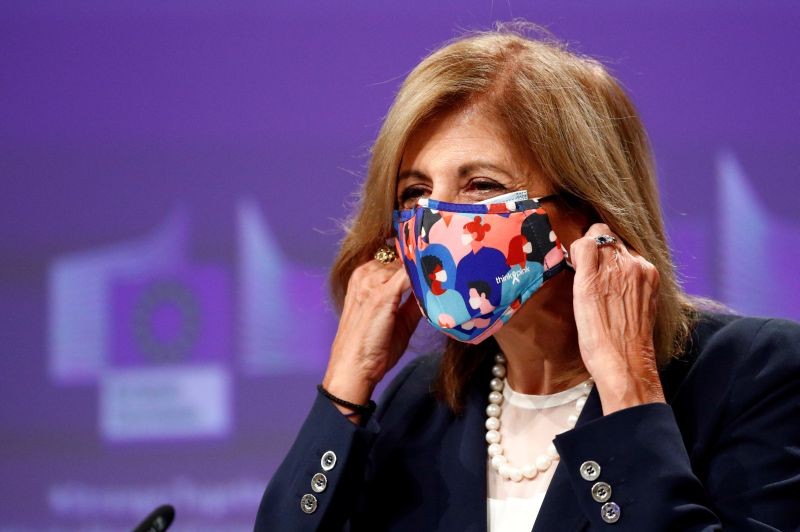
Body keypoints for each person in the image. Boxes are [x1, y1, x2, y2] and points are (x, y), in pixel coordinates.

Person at [255, 26, 800, 531]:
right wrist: (346, 386)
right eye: (415, 193)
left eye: (482, 185)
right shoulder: (419, 404)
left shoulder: (756, 374)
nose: (437, 222)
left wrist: (628, 389)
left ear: (589, 209)